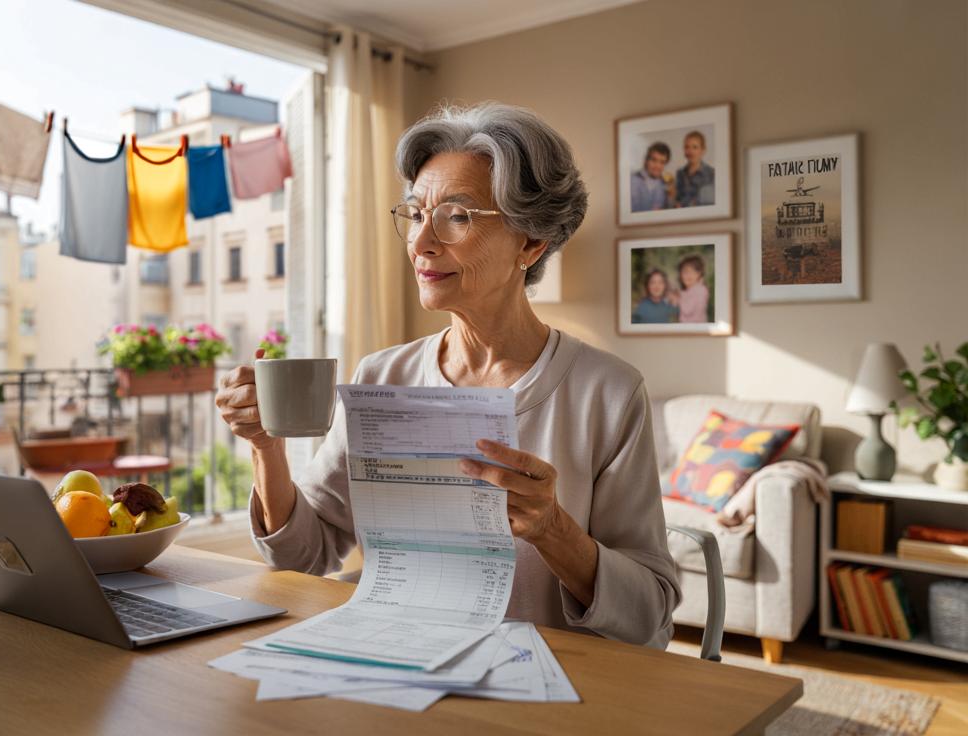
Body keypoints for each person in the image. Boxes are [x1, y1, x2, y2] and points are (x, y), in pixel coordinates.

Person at [216, 102, 680, 649]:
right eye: (416, 214)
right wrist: (265, 447)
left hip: (548, 680)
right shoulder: (382, 375)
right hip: (398, 661)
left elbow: (649, 613)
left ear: (531, 242)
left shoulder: (608, 392)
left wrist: (552, 529)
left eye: (456, 216)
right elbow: (303, 554)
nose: (420, 243)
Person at [674, 131, 715, 207]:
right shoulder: (680, 173)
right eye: (687, 147)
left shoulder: (712, 174)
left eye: (695, 147)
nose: (690, 151)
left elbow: (710, 203)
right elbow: (677, 199)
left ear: (703, 150)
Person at [630, 142, 673, 212]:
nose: (657, 166)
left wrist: (670, 197)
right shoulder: (632, 180)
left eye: (662, 162)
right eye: (654, 160)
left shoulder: (664, 185)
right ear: (646, 160)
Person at [676, 254, 710, 323]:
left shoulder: (700, 290)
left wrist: (677, 299)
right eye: (685, 272)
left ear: (699, 274)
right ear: (680, 275)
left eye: (693, 272)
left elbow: (687, 309)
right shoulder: (690, 290)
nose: (689, 275)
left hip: (696, 327)